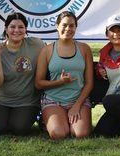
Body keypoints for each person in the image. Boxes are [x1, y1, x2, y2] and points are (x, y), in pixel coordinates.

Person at [35, 11, 94, 140]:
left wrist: (77, 106)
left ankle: (67, 120)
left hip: (79, 99)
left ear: (76, 28)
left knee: (81, 134)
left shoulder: (84, 49)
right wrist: (60, 82)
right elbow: (38, 83)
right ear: (57, 26)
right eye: (64, 25)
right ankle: (48, 121)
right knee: (59, 134)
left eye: (72, 26)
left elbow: (89, 83)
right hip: (53, 100)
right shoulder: (47, 50)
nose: (68, 29)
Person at [0, 13, 45, 135]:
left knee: (19, 129)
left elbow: (50, 57)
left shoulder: (36, 44)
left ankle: (39, 117)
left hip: (27, 101)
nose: (16, 30)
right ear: (6, 29)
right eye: (12, 27)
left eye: (21, 27)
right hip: (1, 99)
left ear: (26, 29)